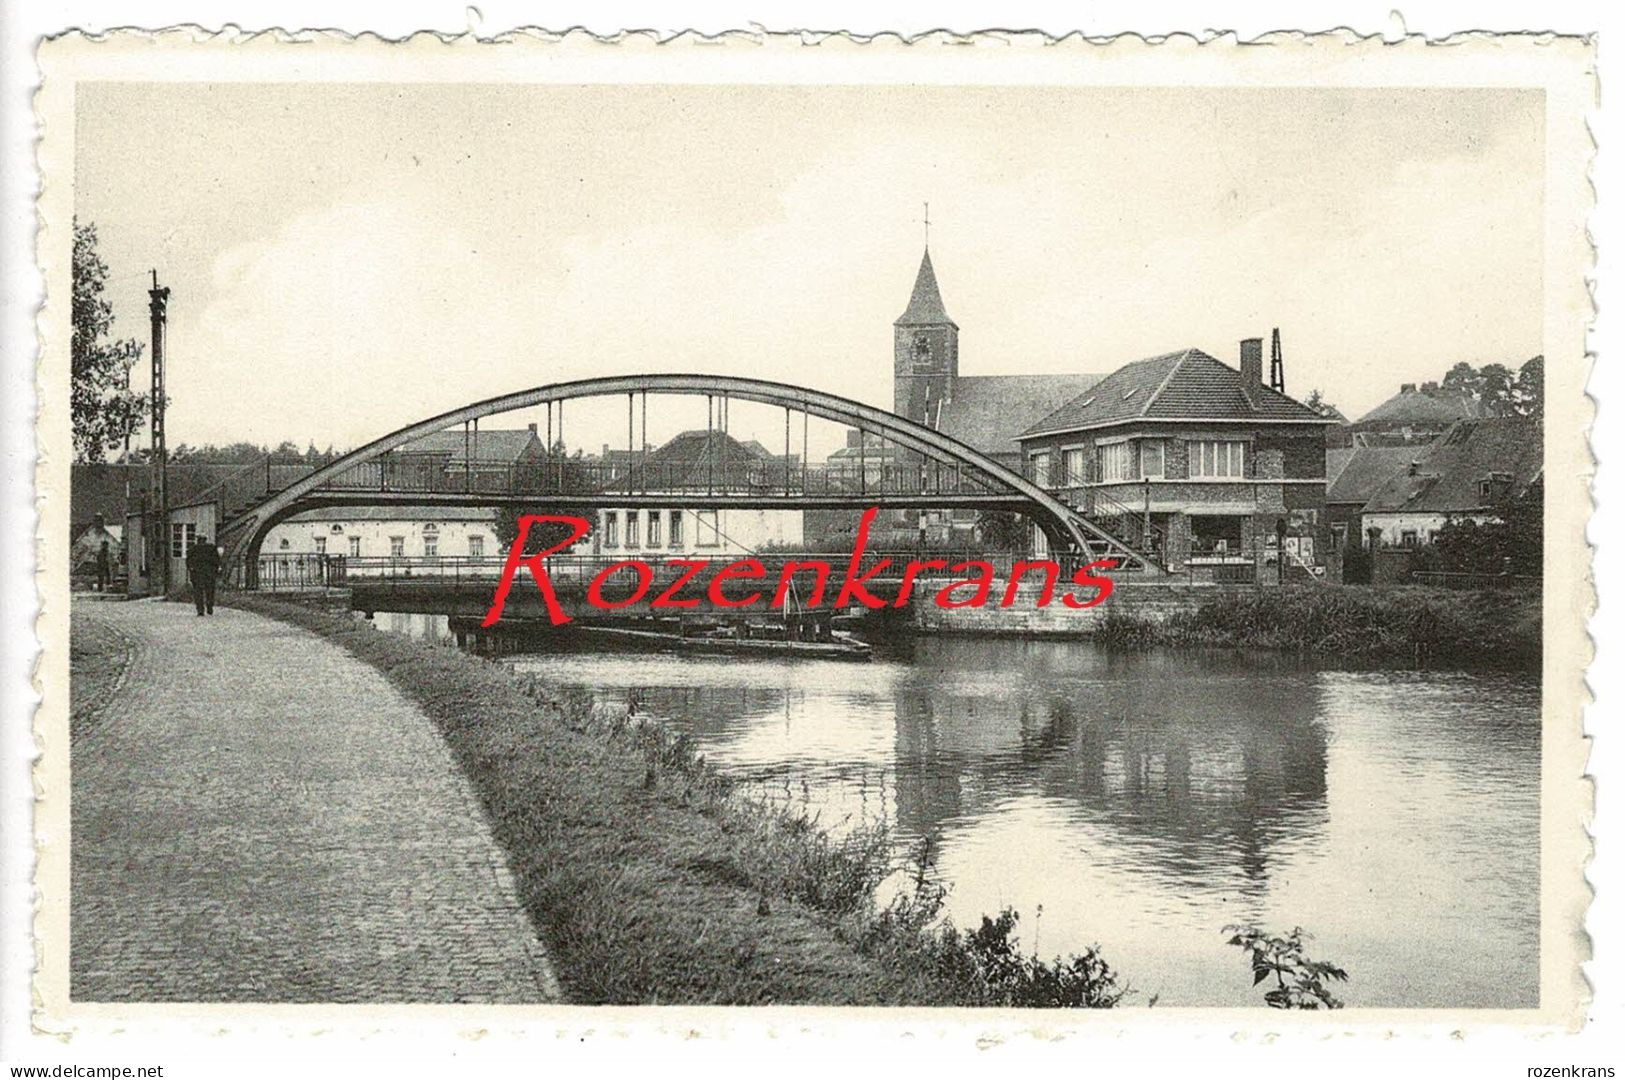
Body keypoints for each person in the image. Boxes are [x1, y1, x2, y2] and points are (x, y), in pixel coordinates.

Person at [186, 534, 221, 616]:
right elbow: (216, 561)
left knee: (198, 593)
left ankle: (200, 610)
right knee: (210, 592)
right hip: (209, 574)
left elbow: (188, 561)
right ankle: (209, 607)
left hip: (197, 575)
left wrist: (191, 569)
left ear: (198, 540)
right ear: (205, 540)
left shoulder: (193, 549)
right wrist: (215, 571)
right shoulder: (212, 548)